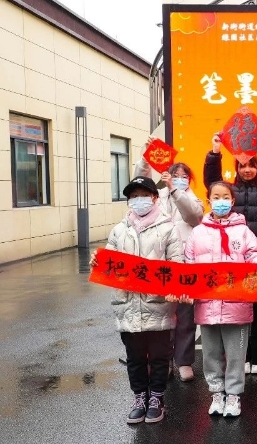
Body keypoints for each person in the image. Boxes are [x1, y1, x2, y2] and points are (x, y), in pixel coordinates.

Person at [90, 176, 183, 424]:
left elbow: (177, 264)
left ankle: (157, 399)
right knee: (135, 358)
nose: (138, 200)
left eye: (143, 195)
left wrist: (173, 288)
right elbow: (109, 263)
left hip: (158, 304)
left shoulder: (168, 228)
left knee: (160, 357)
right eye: (133, 196)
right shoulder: (119, 230)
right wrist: (98, 262)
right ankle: (140, 398)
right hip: (128, 305)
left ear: (154, 198)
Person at [183, 180, 257, 418]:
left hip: (237, 304)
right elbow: (188, 265)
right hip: (206, 305)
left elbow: (254, 257)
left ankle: (233, 395)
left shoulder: (243, 231)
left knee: (236, 354)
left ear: (232, 201)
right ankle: (216, 393)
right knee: (210, 354)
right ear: (208, 201)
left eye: (225, 197)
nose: (221, 201)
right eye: (216, 197)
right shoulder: (197, 233)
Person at [204, 134, 257, 375]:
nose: (247, 169)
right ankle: (241, 357)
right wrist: (215, 153)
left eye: (252, 165)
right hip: (234, 261)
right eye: (243, 166)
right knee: (237, 313)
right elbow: (212, 181)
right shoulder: (229, 192)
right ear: (237, 169)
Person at [134, 137, 204, 382]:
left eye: (185, 176)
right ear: (167, 175)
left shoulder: (193, 199)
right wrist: (146, 157)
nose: (180, 178)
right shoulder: (156, 197)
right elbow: (138, 182)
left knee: (185, 317)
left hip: (186, 265)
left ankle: (184, 361)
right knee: (162, 316)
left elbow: (194, 217)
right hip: (161, 265)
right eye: (176, 175)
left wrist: (176, 190)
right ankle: (164, 362)